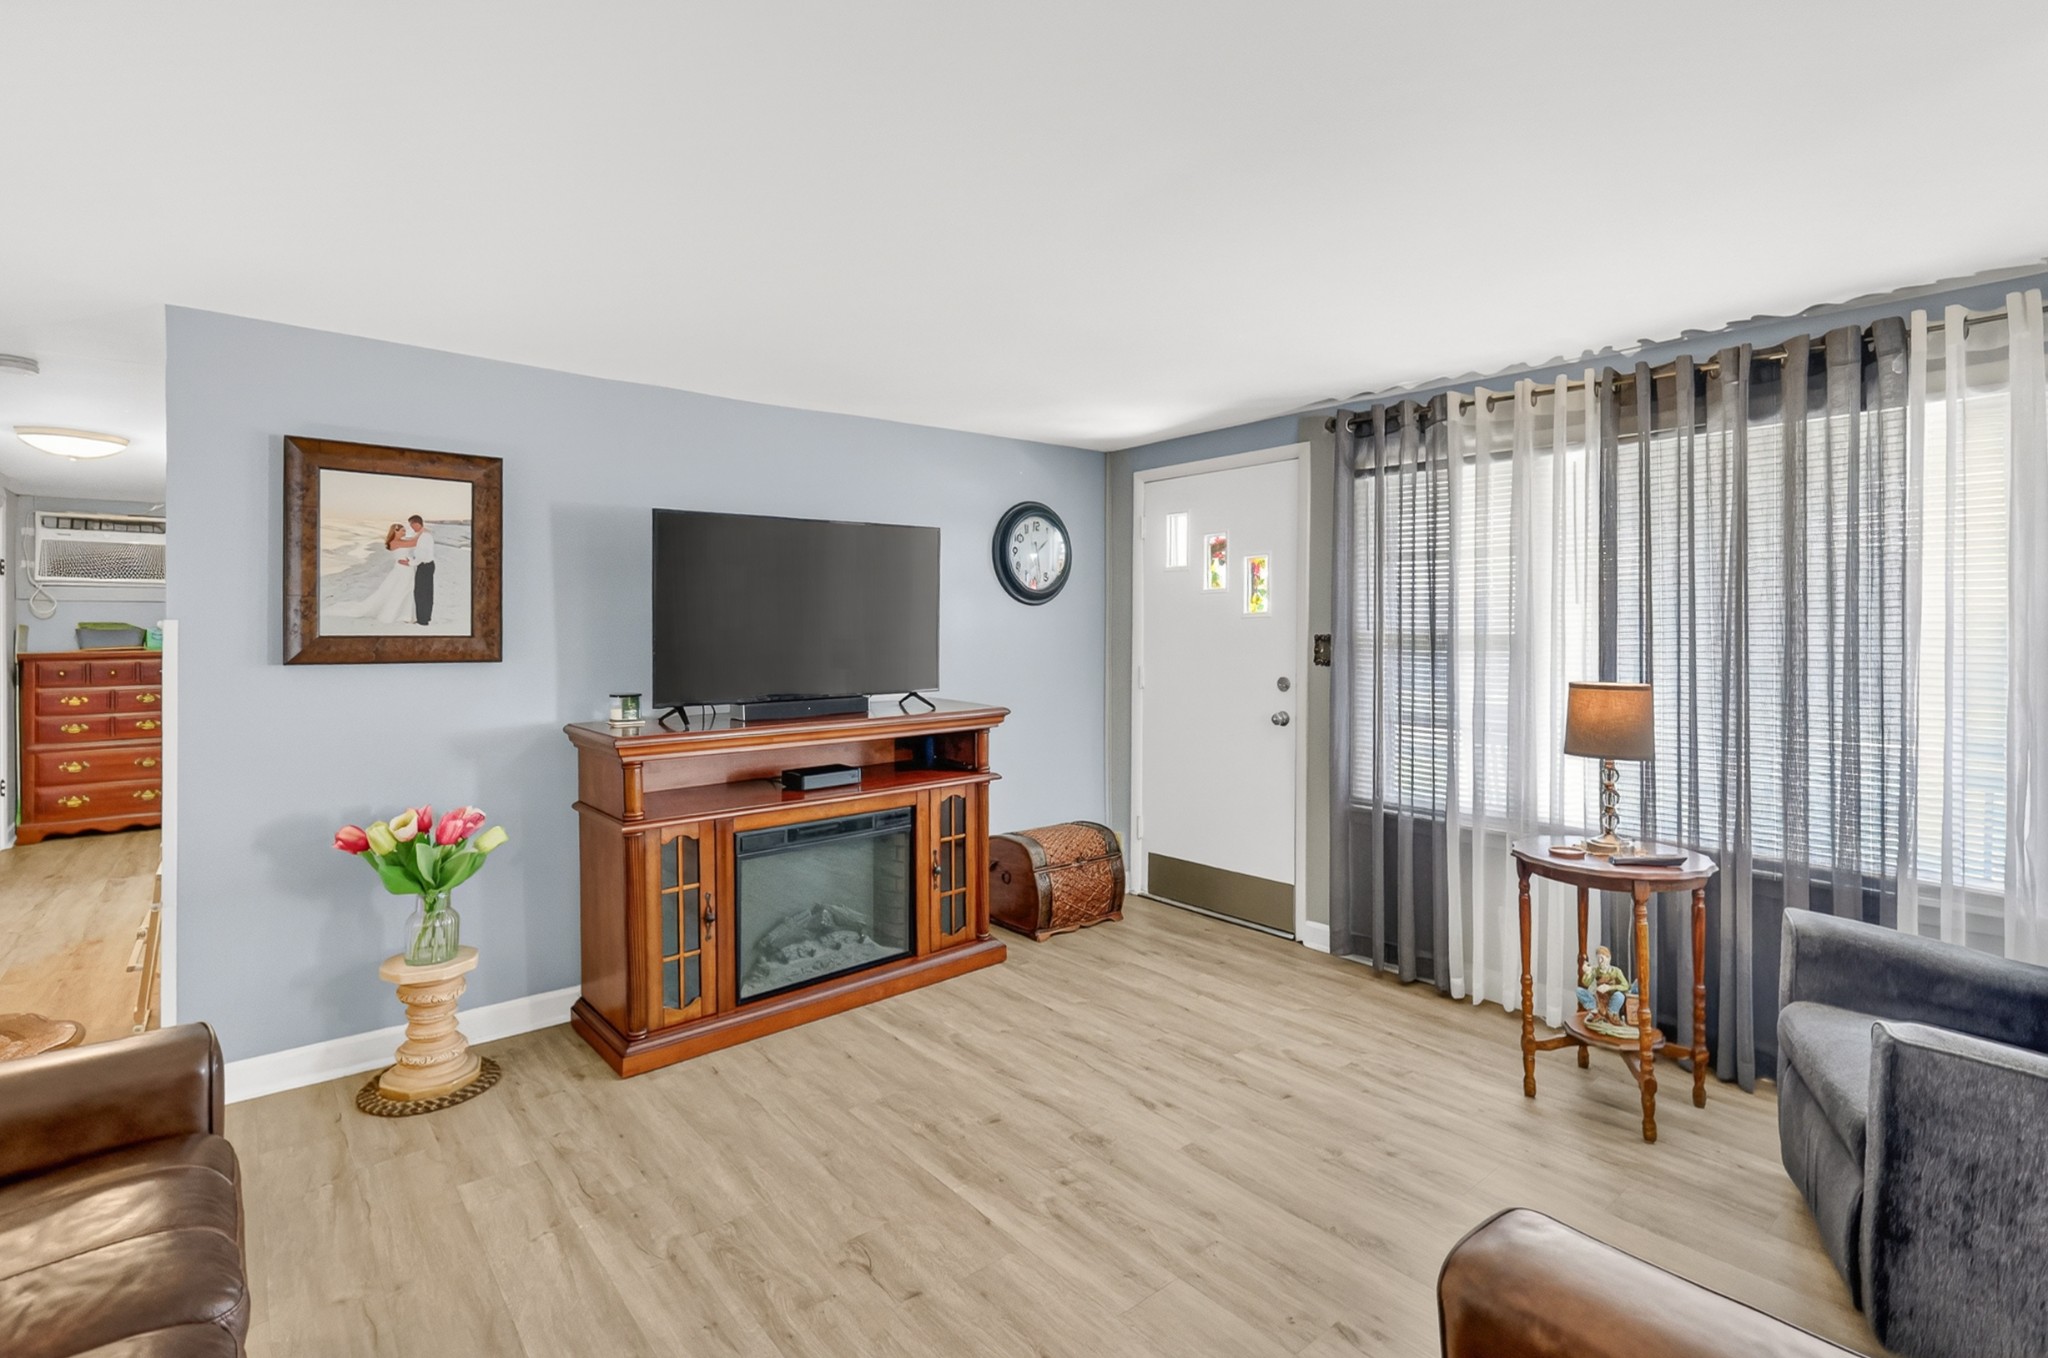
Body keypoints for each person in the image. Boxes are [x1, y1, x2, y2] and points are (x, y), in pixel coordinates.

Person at [332, 523, 417, 624]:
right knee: (400, 590)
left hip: (406, 568)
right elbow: (413, 543)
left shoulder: (401, 541)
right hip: (402, 570)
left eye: (405, 530)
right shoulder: (395, 543)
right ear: (395, 531)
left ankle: (406, 615)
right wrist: (421, 532)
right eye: (403, 530)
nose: (405, 532)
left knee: (406, 590)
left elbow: (412, 541)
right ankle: (397, 615)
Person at [406, 514, 436, 626]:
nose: (411, 527)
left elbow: (421, 555)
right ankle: (425, 617)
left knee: (421, 593)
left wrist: (410, 563)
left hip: (425, 566)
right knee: (426, 592)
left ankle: (423, 620)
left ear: (417, 523)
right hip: (426, 565)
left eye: (412, 525)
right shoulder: (423, 534)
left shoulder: (424, 536)